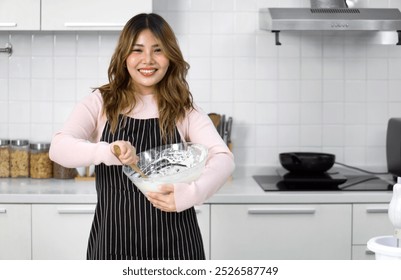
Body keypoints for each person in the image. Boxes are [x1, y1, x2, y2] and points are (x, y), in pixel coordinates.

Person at [49, 13, 235, 260]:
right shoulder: (101, 103)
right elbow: (58, 148)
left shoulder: (183, 109)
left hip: (177, 244)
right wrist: (107, 151)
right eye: (137, 50)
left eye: (158, 50)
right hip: (115, 242)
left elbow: (223, 157)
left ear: (170, 57)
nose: (147, 60)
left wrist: (193, 193)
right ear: (124, 56)